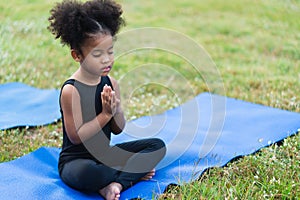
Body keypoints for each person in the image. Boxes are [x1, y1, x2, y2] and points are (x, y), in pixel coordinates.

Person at [47, 0, 166, 199]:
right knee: (93, 173)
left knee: (157, 146)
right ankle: (129, 174)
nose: (106, 59)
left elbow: (118, 129)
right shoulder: (71, 90)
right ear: (77, 55)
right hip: (77, 162)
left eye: (110, 52)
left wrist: (116, 111)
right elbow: (76, 137)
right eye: (97, 54)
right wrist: (105, 115)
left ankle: (115, 185)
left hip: (106, 156)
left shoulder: (111, 83)